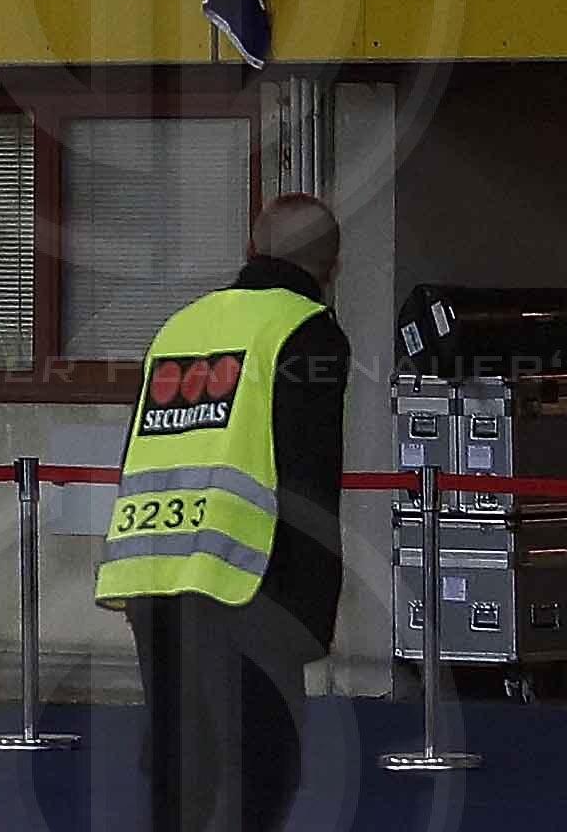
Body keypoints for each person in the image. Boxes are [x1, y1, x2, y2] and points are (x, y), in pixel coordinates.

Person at [93, 193, 353, 832]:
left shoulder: (182, 326)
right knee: (259, 773)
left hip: (154, 572)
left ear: (250, 251)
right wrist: (314, 610)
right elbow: (308, 475)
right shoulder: (305, 330)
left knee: (181, 773)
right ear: (334, 267)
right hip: (249, 581)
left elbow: (141, 451)